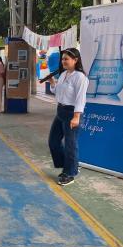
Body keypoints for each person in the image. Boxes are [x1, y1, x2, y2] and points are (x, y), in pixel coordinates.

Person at [47, 48, 89, 186]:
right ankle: (70, 165)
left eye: (67, 59)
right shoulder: (64, 74)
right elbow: (58, 93)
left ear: (75, 60)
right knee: (53, 141)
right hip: (60, 111)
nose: (63, 61)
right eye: (63, 59)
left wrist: (76, 117)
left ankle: (70, 173)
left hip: (72, 113)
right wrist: (53, 83)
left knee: (71, 145)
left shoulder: (80, 77)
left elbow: (80, 99)